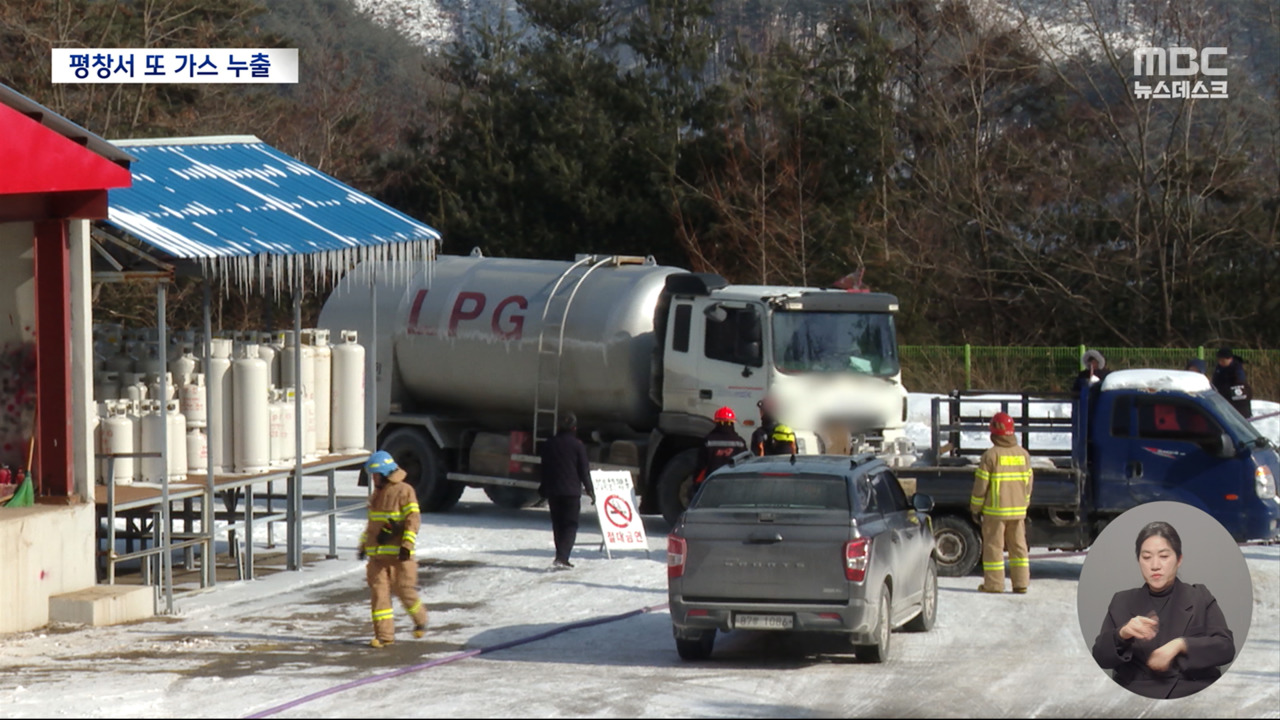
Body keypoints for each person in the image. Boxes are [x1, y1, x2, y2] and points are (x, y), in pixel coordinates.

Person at [1091, 521, 1235, 699]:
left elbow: (1226, 648)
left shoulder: (1200, 597)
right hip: (1136, 697)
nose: (1155, 565)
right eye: (1146, 557)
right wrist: (1122, 634)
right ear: (1139, 561)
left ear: (1179, 559)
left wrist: (1181, 645)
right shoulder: (1121, 601)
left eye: (1164, 556)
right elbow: (1100, 656)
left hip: (1193, 693)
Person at [359, 450, 428, 648]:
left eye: (375, 475)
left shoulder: (404, 491)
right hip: (377, 557)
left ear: (384, 473)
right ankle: (384, 636)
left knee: (405, 590)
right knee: (379, 595)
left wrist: (406, 545)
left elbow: (413, 519)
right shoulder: (377, 495)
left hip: (400, 556)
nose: (373, 479)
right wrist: (364, 545)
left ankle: (420, 619)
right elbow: (373, 525)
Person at [970, 412, 1033, 594]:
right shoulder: (1023, 455)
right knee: (1019, 548)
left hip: (995, 512)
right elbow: (1028, 484)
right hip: (1018, 511)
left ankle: (994, 585)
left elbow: (981, 486)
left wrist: (975, 507)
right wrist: (1024, 504)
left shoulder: (991, 456)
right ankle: (1021, 584)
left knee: (994, 548)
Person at [538, 412, 595, 570]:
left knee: (558, 524)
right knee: (570, 525)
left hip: (553, 491)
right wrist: (590, 490)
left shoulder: (549, 443)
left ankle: (560, 556)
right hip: (571, 492)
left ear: (558, 427)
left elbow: (544, 468)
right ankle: (563, 557)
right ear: (574, 428)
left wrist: (543, 487)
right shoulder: (578, 445)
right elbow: (584, 471)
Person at [697, 406, 748, 486]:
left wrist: (697, 483)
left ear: (717, 423)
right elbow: (744, 465)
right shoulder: (740, 442)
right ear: (732, 423)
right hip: (732, 483)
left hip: (712, 482)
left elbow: (701, 466)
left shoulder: (708, 441)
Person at [1211, 347, 1251, 418]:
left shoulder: (1237, 369)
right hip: (1222, 400)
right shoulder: (1219, 368)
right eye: (1219, 360)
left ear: (1230, 359)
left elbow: (1239, 388)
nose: (1220, 362)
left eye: (1223, 360)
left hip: (1237, 406)